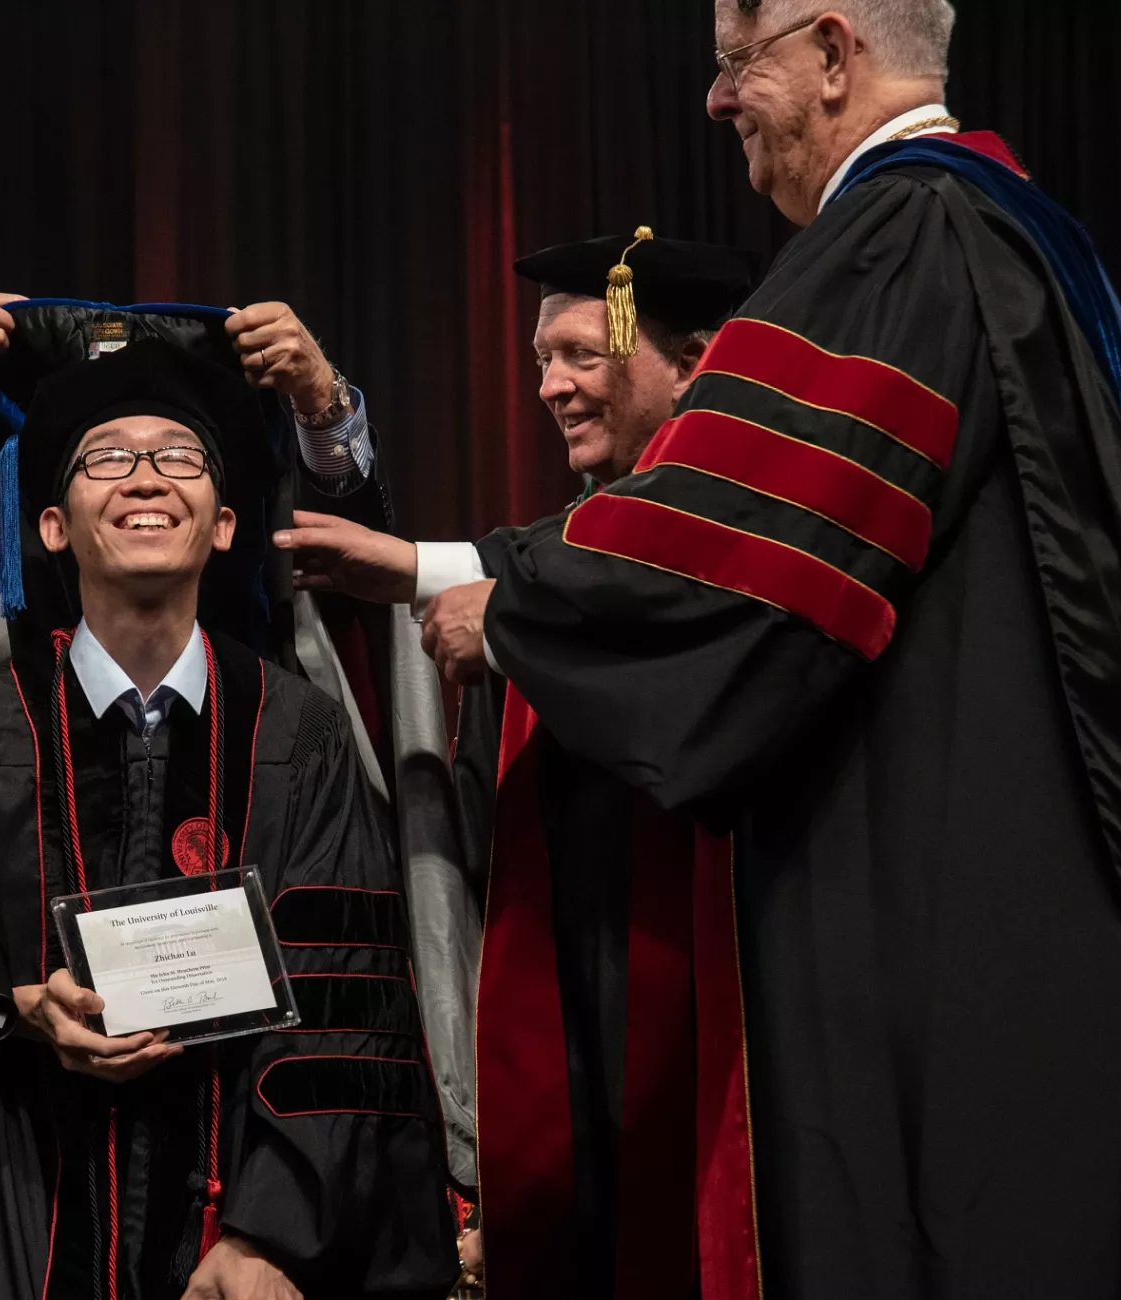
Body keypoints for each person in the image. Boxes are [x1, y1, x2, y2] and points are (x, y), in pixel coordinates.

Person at [421, 2, 1121, 1296]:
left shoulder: (905, 230)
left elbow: (744, 569)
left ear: (830, 52)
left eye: (734, 60)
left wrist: (500, 593)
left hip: (934, 904)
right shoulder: (1031, 234)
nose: (714, 100)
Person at [0, 296, 468, 1300]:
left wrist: (267, 1234)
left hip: (239, 1255)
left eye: (178, 458)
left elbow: (351, 1010)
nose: (140, 477)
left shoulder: (295, 737)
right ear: (49, 525)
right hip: (6, 1229)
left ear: (224, 525)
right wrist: (6, 1005)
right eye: (104, 460)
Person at [271, 232, 756, 1293]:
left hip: (702, 999)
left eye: (581, 354)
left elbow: (599, 600)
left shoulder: (744, 526)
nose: (548, 386)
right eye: (540, 360)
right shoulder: (585, 539)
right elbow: (542, 567)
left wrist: (499, 624)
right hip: (578, 1009)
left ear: (693, 360)